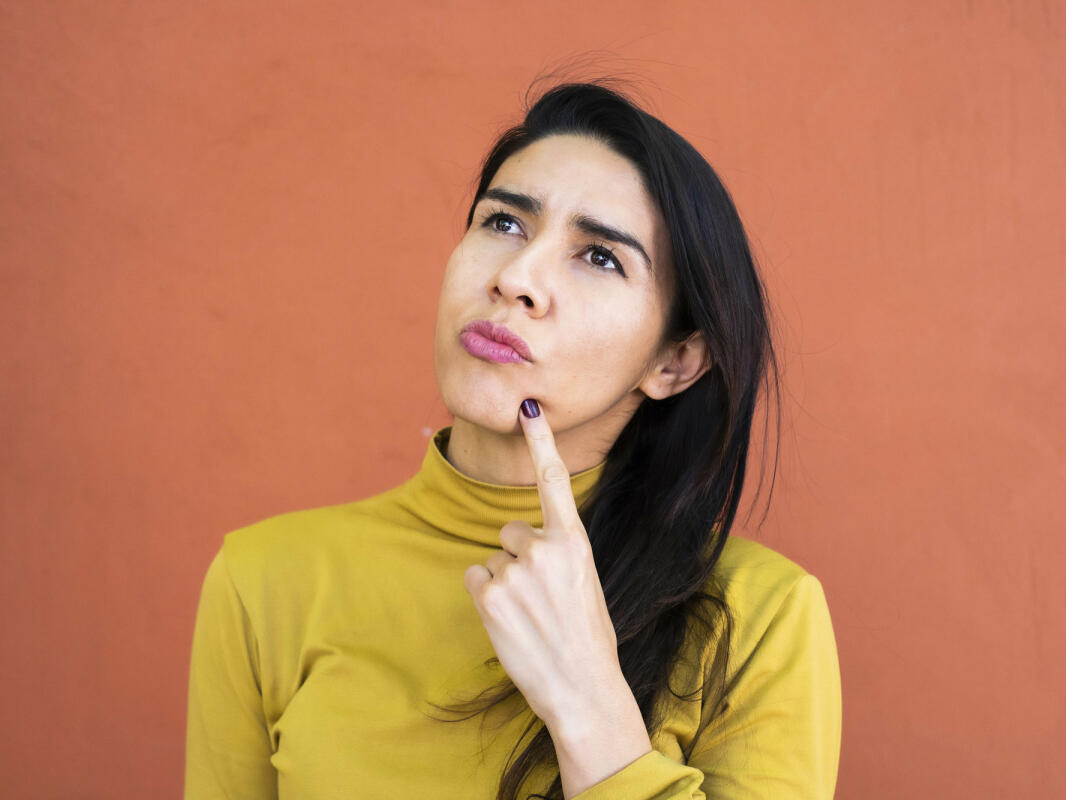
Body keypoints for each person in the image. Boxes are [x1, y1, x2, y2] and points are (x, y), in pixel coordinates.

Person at [184, 79, 841, 799]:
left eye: (599, 257)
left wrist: (589, 700)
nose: (516, 277)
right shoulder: (264, 581)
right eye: (503, 223)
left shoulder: (761, 618)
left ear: (674, 362)